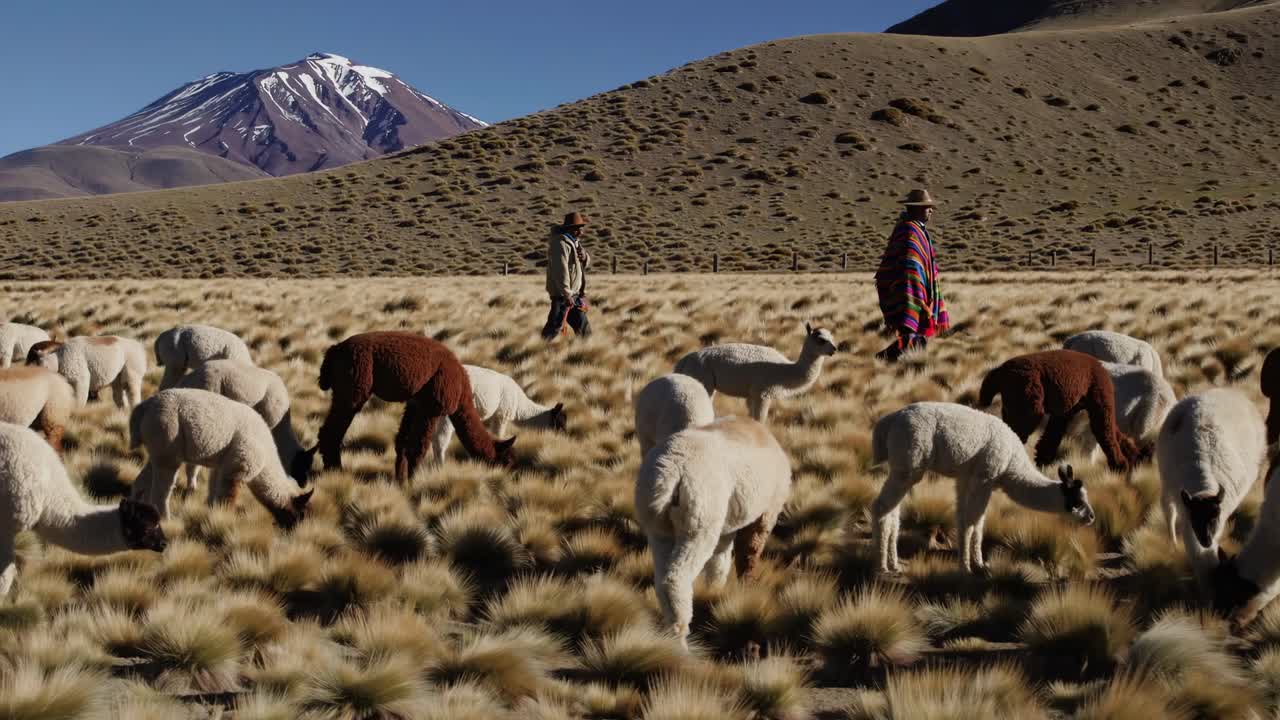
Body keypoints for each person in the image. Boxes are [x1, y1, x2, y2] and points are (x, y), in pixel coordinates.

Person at [874, 189, 950, 362]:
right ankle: (888, 360)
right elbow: (910, 265)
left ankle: (901, 362)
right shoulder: (909, 229)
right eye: (927, 207)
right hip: (908, 289)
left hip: (915, 289)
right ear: (916, 209)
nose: (931, 210)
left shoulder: (916, 229)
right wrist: (916, 295)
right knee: (912, 333)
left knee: (917, 337)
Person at [542, 211, 592, 341]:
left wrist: (585, 257)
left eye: (581, 228)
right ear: (569, 229)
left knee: (583, 328)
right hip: (563, 296)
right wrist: (567, 294)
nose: (581, 232)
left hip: (573, 294)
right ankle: (538, 348)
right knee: (554, 327)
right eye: (577, 229)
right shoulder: (560, 244)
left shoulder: (574, 242)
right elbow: (560, 270)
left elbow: (583, 263)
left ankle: (587, 349)